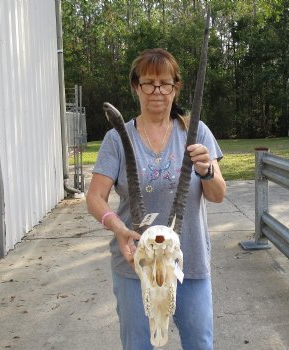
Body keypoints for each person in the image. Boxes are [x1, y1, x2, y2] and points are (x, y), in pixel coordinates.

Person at [86, 48, 226, 350]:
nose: (157, 91)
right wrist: (116, 226)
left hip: (189, 262)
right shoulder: (117, 138)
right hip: (136, 264)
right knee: (138, 345)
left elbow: (218, 195)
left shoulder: (196, 131)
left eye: (165, 83)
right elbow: (95, 197)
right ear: (136, 87)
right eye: (149, 82)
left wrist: (207, 171)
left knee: (200, 344)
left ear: (176, 88)